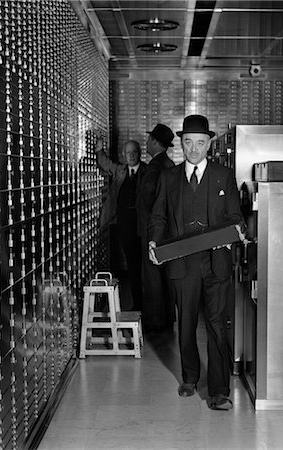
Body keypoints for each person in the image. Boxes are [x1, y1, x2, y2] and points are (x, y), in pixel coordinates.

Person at [148, 115, 244, 411]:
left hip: (216, 263)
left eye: (200, 143)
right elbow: (159, 216)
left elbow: (235, 217)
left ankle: (219, 391)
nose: (193, 149)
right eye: (188, 142)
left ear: (209, 144)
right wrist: (154, 240)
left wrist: (230, 235)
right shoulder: (169, 177)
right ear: (181, 143)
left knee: (217, 325)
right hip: (182, 262)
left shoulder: (224, 176)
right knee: (186, 322)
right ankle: (189, 377)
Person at [95, 135, 147, 310]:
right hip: (125, 226)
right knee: (132, 266)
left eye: (134, 152)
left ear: (139, 153)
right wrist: (99, 148)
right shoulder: (120, 170)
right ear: (124, 155)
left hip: (143, 226)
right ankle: (138, 303)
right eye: (128, 153)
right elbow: (105, 163)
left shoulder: (148, 171)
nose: (131, 156)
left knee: (146, 267)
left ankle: (150, 305)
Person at [136, 124, 175, 332]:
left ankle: (154, 323)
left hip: (152, 231)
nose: (147, 143)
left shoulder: (155, 167)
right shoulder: (169, 164)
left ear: (154, 142)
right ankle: (166, 320)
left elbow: (150, 201)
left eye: (149, 139)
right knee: (164, 277)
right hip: (166, 231)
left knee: (152, 279)